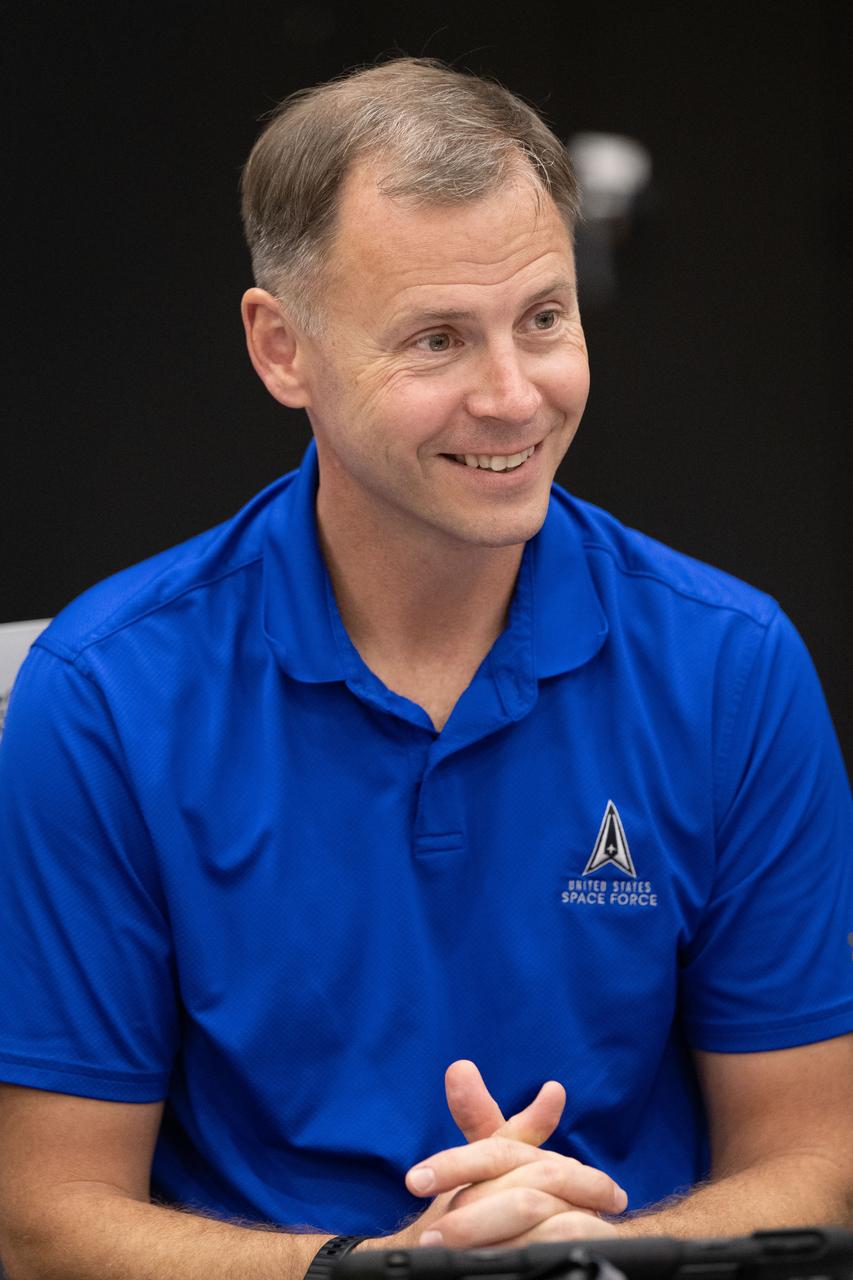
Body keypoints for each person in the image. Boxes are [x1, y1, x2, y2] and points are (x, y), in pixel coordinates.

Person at [0, 56, 850, 1280]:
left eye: (543, 318)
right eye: (437, 338)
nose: (512, 396)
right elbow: (43, 1218)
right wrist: (379, 1270)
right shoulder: (103, 693)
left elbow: (817, 1160)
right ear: (281, 348)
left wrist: (592, 1257)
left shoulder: (733, 666)